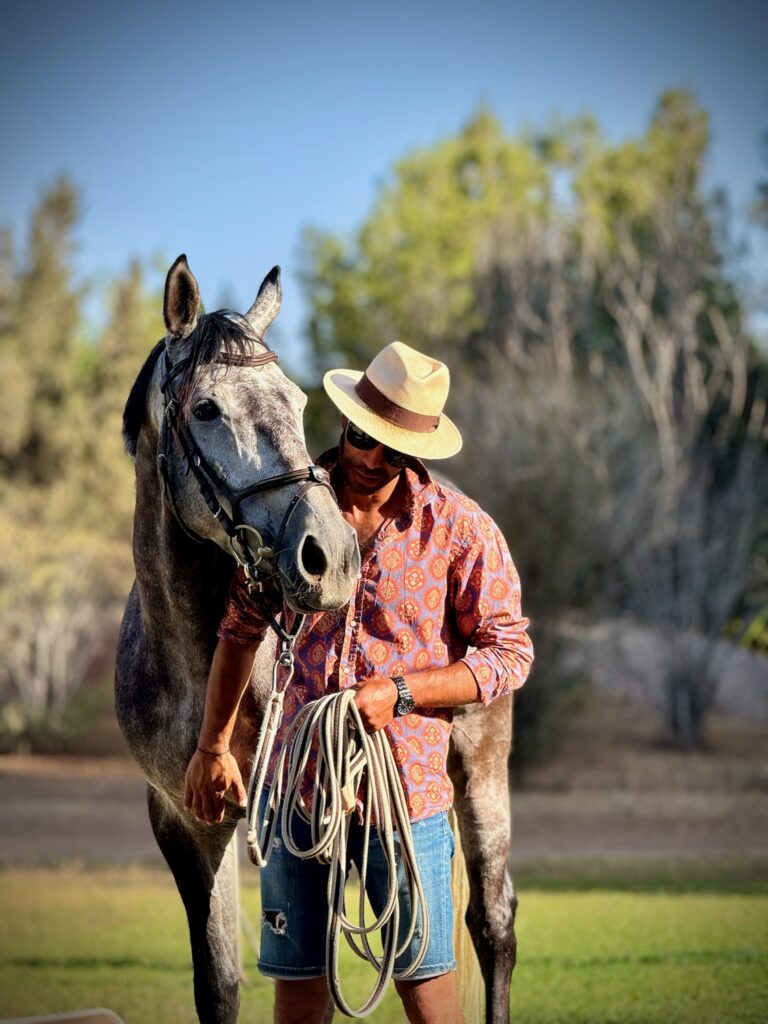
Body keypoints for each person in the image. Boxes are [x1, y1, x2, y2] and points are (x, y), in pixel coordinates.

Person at [184, 340, 533, 1024]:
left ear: (417, 451)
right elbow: (239, 629)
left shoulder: (460, 532)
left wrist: (402, 693)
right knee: (298, 995)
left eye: (393, 449)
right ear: (346, 420)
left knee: (429, 998)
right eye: (362, 437)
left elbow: (508, 654)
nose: (371, 459)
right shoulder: (291, 516)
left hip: (405, 800)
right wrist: (212, 746)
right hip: (298, 798)